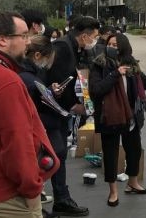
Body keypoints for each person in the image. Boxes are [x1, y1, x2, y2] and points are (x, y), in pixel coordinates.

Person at [0, 12, 59, 218]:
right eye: (23, 36)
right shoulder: (6, 81)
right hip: (2, 199)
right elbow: (18, 144)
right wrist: (32, 190)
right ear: (2, 39)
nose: (29, 41)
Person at [90, 34, 146, 206]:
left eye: (116, 44)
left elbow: (144, 84)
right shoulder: (99, 64)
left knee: (134, 150)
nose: (113, 47)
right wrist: (115, 74)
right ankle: (113, 191)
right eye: (110, 44)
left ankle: (132, 183)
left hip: (130, 116)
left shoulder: (131, 64)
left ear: (123, 46)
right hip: (109, 116)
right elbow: (96, 90)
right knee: (111, 154)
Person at [46, 16, 97, 217]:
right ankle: (55, 198)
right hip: (51, 111)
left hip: (60, 111)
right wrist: (73, 105)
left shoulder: (73, 48)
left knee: (59, 153)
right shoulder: (63, 47)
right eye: (93, 37)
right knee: (56, 153)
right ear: (83, 36)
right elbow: (58, 82)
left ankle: (61, 198)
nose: (94, 41)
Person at [18, 35, 63, 211]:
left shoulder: (31, 74)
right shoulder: (27, 78)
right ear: (37, 56)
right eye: (46, 58)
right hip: (35, 131)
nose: (47, 63)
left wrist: (49, 91)